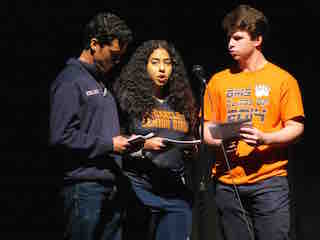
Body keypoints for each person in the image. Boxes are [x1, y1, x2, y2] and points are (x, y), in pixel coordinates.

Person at [202, 4, 305, 240]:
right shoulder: (218, 81)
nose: (230, 44)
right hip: (228, 182)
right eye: (229, 38)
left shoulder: (282, 80)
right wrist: (219, 142)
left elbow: (296, 127)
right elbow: (206, 128)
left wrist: (265, 137)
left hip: (269, 182)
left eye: (238, 38)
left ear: (257, 39)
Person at [49, 12, 133, 240]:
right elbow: (60, 136)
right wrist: (109, 144)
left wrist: (132, 144)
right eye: (113, 56)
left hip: (110, 186)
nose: (117, 62)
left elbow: (101, 134)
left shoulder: (101, 83)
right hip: (84, 189)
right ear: (94, 44)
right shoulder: (70, 80)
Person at [114, 40, 198, 240]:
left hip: (175, 191)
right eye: (155, 62)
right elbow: (114, 140)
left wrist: (190, 150)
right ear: (143, 66)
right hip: (139, 190)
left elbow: (188, 138)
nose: (162, 69)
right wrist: (144, 145)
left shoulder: (182, 102)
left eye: (167, 63)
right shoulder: (128, 101)